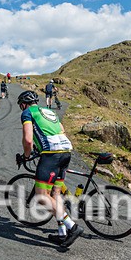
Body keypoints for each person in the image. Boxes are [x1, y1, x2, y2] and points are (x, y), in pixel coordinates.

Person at [16, 90, 83, 247]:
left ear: (24, 104)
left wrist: (26, 156)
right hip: (66, 151)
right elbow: (61, 130)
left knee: (41, 197)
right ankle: (62, 234)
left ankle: (72, 227)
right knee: (55, 193)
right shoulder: (50, 111)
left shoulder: (27, 113)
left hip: (51, 155)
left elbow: (27, 139)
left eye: (21, 105)